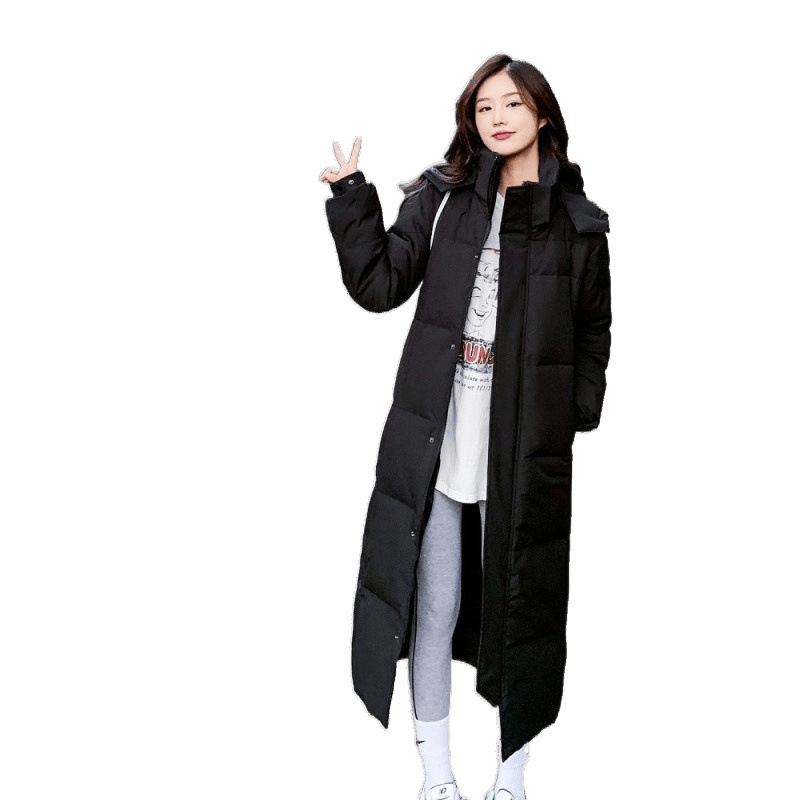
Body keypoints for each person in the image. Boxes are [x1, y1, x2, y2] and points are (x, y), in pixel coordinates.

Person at [320, 54, 611, 800]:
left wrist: (571, 415)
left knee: (523, 611)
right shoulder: (445, 196)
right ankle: (437, 776)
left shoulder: (578, 224)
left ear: (541, 112)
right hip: (441, 442)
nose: (497, 118)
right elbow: (380, 282)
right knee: (435, 605)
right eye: (483, 107)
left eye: (511, 103)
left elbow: (593, 330)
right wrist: (352, 200)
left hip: (523, 453)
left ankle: (511, 777)